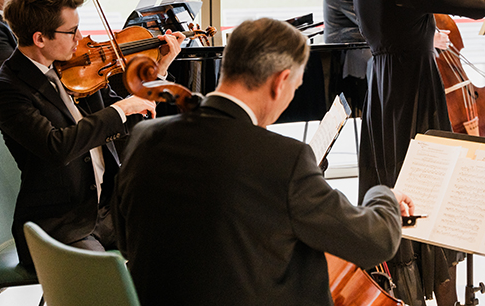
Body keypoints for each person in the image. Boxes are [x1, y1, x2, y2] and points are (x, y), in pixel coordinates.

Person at [111, 17, 415, 306]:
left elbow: (127, 241)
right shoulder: (285, 159)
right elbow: (375, 242)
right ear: (280, 81)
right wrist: (383, 194)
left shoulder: (144, 136)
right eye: (294, 88)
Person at [0, 0, 184, 270]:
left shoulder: (78, 69)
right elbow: (57, 147)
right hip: (60, 223)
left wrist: (159, 70)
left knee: (187, 243)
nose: (81, 38)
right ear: (40, 38)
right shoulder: (8, 89)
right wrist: (120, 109)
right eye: (71, 32)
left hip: (110, 211)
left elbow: (127, 120)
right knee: (101, 280)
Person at [348, 0, 485, 305]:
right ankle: (446, 298)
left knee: (394, 178)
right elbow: (475, 5)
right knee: (430, 191)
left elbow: (400, 34)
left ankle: (404, 291)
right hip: (415, 94)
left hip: (383, 95)